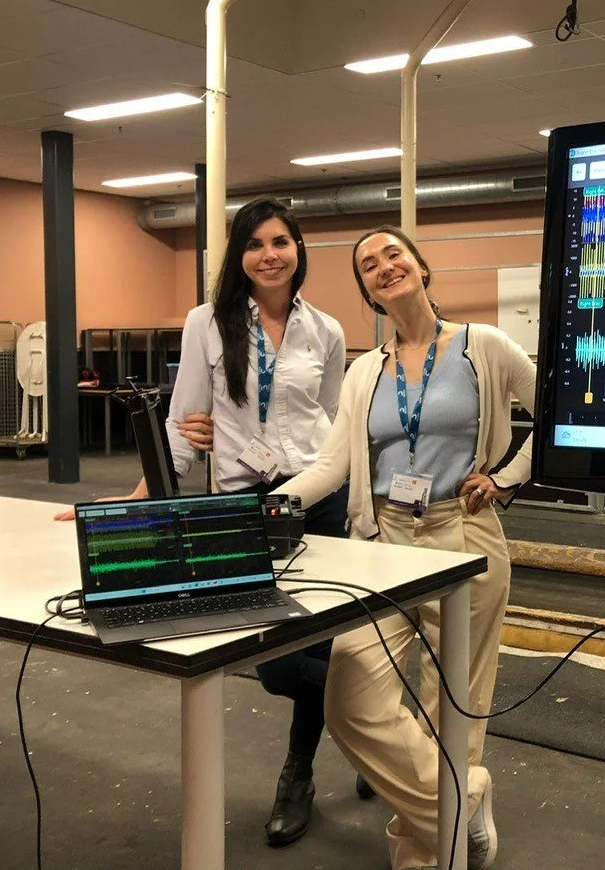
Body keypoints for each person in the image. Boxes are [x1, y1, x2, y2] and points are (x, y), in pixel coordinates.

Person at [57, 197, 373, 846]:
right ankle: (380, 714)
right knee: (274, 662)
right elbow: (183, 422)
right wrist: (136, 497)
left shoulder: (329, 331)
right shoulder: (208, 323)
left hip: (316, 503)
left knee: (314, 641)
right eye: (255, 244)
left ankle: (299, 774)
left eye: (280, 241)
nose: (269, 254)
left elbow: (336, 427)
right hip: (242, 507)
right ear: (240, 254)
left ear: (298, 249)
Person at [271, 225, 536, 870]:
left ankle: (423, 852)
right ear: (366, 290)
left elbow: (554, 415)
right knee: (350, 699)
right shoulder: (365, 372)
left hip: (463, 533)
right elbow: (332, 466)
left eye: (394, 254)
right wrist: (269, 504)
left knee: (456, 709)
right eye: (368, 264)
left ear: (421, 268)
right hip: (385, 539)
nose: (383, 266)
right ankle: (462, 800)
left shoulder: (485, 346)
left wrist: (505, 479)